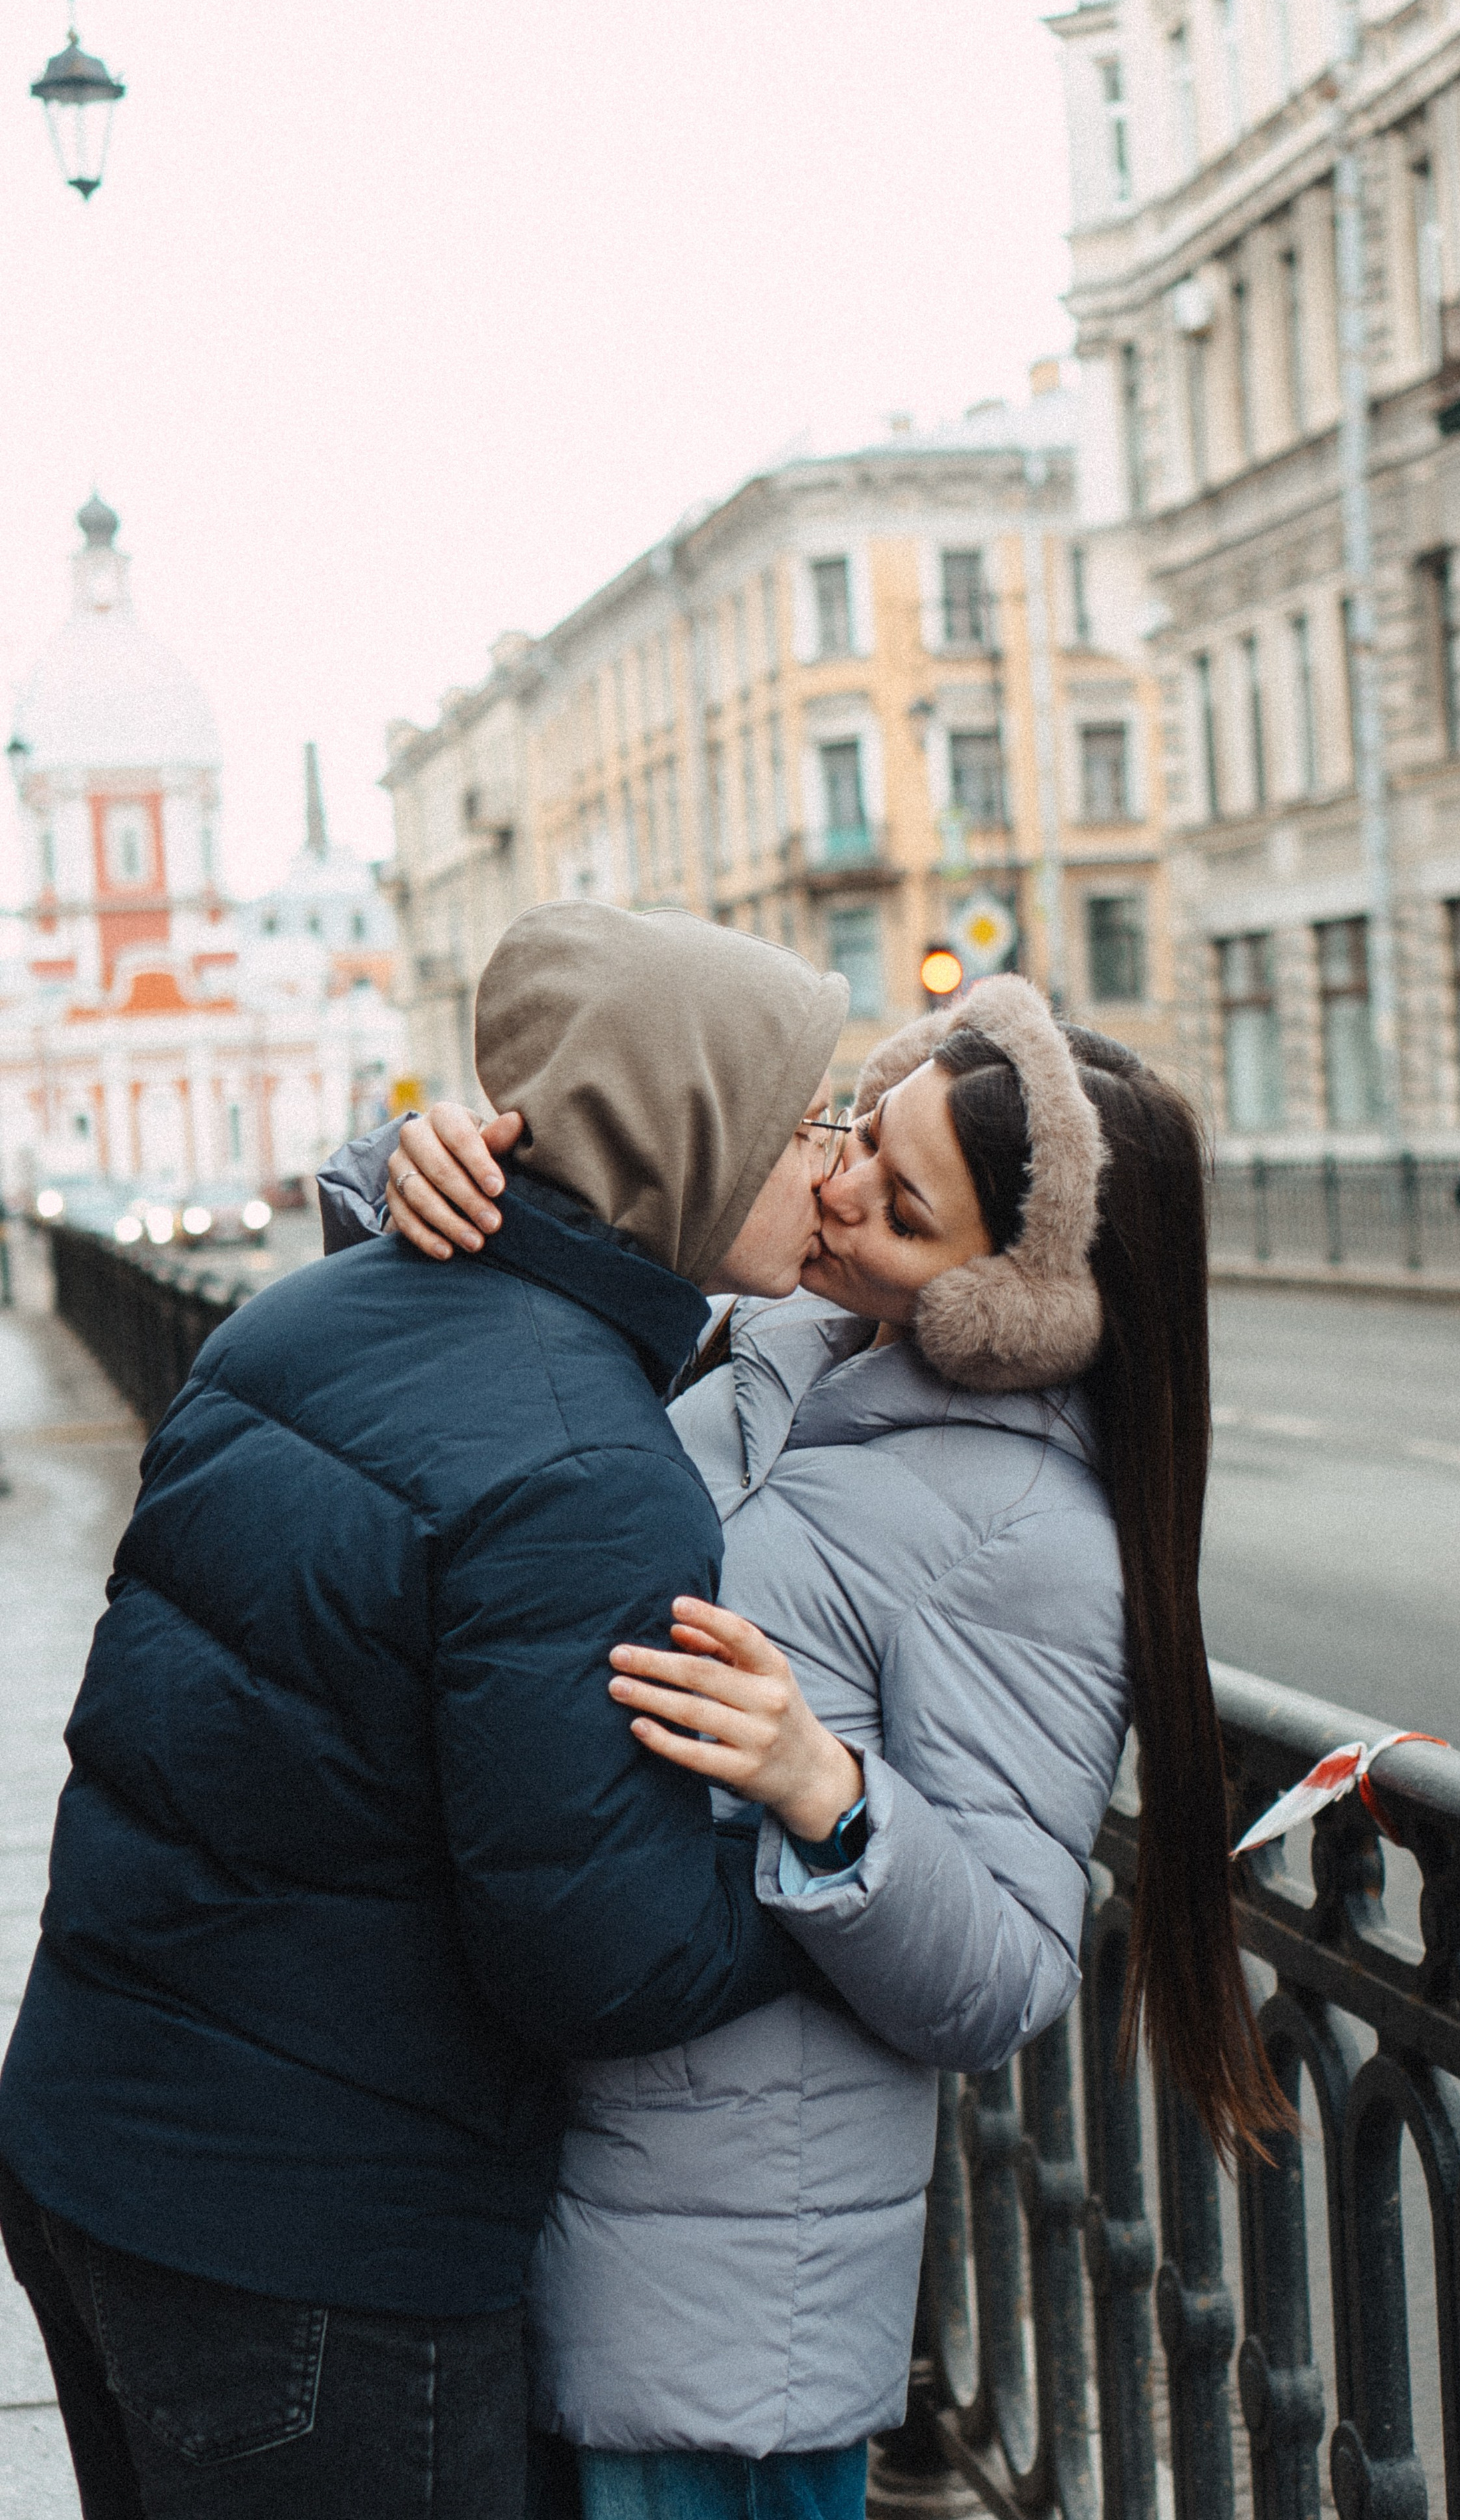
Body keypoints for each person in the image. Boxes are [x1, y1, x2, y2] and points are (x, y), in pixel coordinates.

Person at [332, 971, 1289, 2520]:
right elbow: (491, 1419)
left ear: (1009, 1292)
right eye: (854, 1127)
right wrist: (414, 1170)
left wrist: (828, 1790)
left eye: (898, 1202)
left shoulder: (1031, 1534)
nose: (833, 1184)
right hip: (544, 2160)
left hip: (720, 2313)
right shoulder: (777, 1338)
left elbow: (1004, 1973)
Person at [0, 901, 850, 2520]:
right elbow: (598, 1958)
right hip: (318, 2250)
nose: (826, 1164)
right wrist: (836, 1854)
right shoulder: (593, 1463)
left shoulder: (297, 1317)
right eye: (803, 1119)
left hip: (88, 2141)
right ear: (690, 1132)